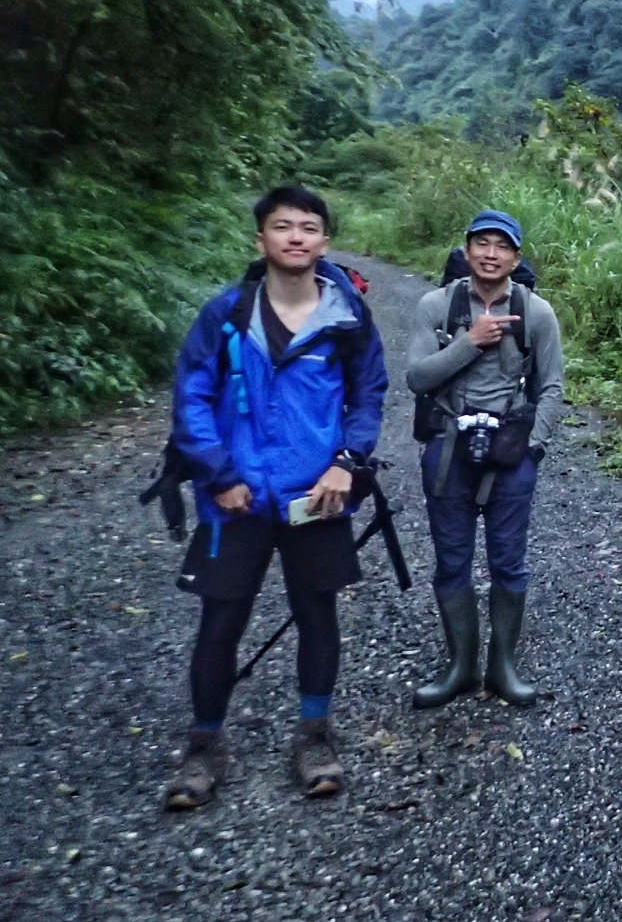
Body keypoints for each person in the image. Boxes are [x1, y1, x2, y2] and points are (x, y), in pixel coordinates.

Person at [163, 186, 388, 810]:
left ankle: (314, 736)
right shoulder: (226, 313)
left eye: (309, 227)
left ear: (324, 240)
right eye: (283, 226)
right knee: (220, 623)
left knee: (318, 617)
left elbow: (369, 394)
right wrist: (217, 474)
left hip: (315, 496)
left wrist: (347, 463)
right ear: (260, 238)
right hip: (234, 497)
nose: (296, 237)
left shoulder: (346, 315)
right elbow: (192, 399)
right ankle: (204, 746)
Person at [406, 210, 564, 709]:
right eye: (482, 243)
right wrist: (469, 342)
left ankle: (503, 667)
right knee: (451, 562)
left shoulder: (536, 312)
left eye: (502, 246)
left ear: (517, 257)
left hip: (511, 451)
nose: (491, 254)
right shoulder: (437, 305)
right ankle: (459, 668)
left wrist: (534, 448)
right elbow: (417, 377)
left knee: (509, 563)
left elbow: (553, 386)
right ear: (468, 249)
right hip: (449, 448)